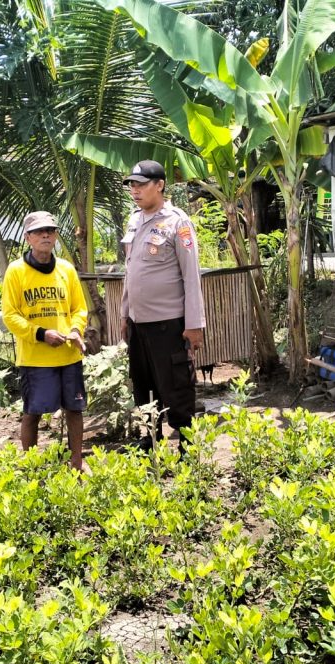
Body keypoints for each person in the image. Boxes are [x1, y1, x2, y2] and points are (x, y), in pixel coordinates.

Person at [119, 160, 206, 450]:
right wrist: (124, 314)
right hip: (138, 324)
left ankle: (186, 447)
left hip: (168, 325)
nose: (135, 190)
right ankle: (149, 441)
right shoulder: (135, 220)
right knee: (143, 387)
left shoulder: (177, 222)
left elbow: (191, 276)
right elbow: (131, 271)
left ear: (160, 185)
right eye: (132, 185)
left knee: (176, 386)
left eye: (141, 185)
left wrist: (194, 325)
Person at [1, 210, 88, 470]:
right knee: (32, 413)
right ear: (28, 238)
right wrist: (41, 334)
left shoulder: (66, 270)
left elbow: (79, 308)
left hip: (68, 355)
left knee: (75, 410)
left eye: (50, 230)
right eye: (39, 231)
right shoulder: (16, 272)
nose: (45, 235)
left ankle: (76, 463)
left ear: (56, 236)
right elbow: (10, 315)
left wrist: (76, 330)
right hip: (35, 359)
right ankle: (32, 468)